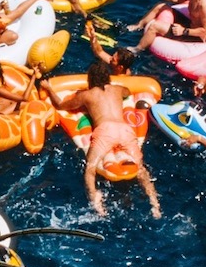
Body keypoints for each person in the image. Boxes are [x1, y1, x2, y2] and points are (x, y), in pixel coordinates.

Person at [48, 60, 160, 217]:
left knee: (90, 168)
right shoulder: (117, 89)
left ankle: (98, 204)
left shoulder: (87, 95)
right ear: (108, 77)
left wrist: (48, 88)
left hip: (105, 131)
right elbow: (128, 91)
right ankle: (155, 204)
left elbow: (61, 105)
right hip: (125, 130)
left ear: (90, 79)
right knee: (140, 168)